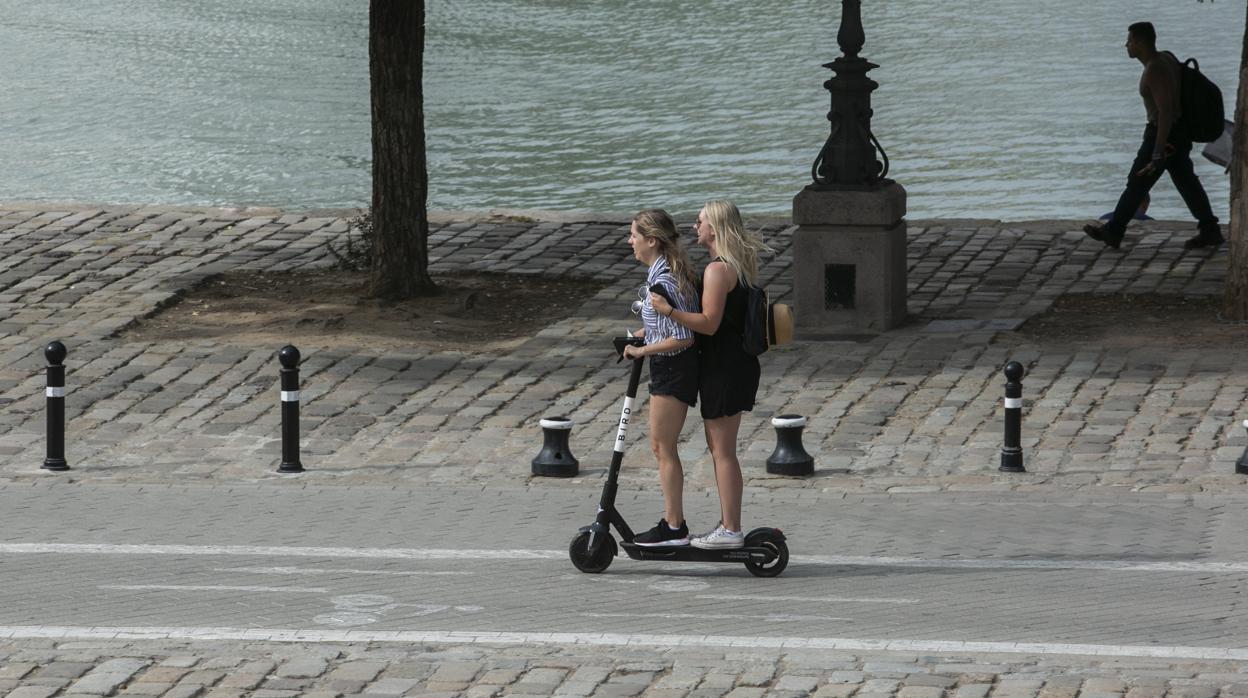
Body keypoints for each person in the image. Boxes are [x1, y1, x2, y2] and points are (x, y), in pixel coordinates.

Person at [649, 200, 771, 550]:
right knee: (721, 448)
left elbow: (709, 323)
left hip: (725, 368)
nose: (694, 228)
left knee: (723, 450)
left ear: (714, 228)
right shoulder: (736, 265)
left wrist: (668, 310)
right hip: (733, 365)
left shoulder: (718, 271)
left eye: (700, 222)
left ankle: (731, 529)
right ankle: (728, 525)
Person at [1083, 22, 1223, 252]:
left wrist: (1158, 150)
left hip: (1162, 134)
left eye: (1129, 41)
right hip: (1176, 134)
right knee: (1186, 181)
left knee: (1137, 182)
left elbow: (1166, 110)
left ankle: (1114, 230)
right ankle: (1210, 229)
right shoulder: (1166, 58)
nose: (1126, 45)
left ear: (1139, 42)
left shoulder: (1155, 69)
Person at [622, 209, 702, 547]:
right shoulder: (666, 272)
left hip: (673, 368)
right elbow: (666, 325)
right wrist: (642, 334)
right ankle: (673, 523)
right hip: (670, 367)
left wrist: (643, 351)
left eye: (634, 236)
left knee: (662, 448)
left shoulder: (663, 280)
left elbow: (684, 335)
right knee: (661, 447)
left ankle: (674, 527)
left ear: (652, 240)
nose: (630, 242)